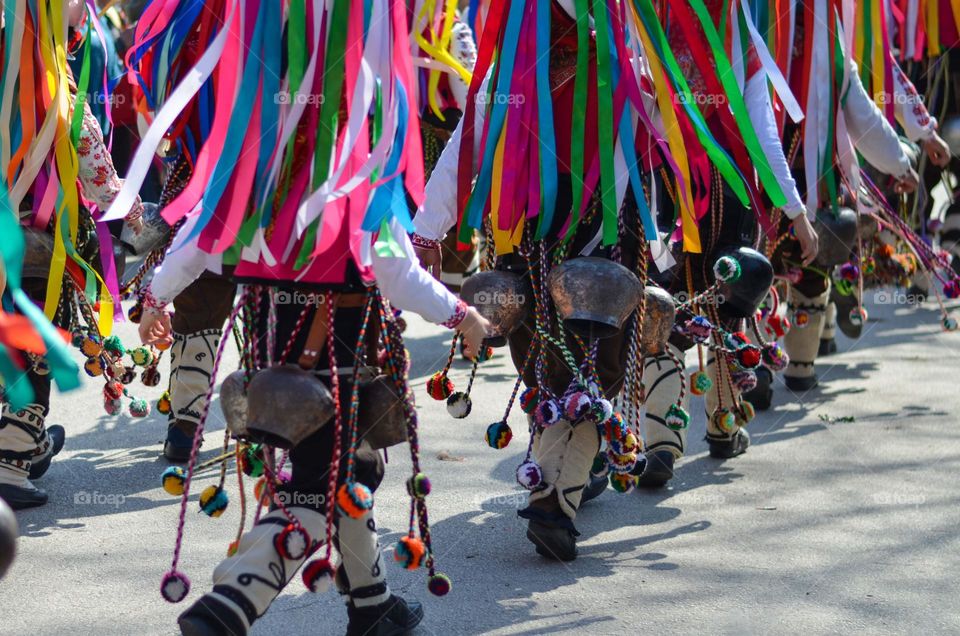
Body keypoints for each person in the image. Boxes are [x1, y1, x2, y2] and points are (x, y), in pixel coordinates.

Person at [115, 2, 490, 633]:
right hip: (337, 342)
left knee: (354, 459)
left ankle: (371, 602)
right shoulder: (357, 162)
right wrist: (461, 315)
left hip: (271, 341)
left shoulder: (254, 158)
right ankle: (233, 601)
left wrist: (155, 298)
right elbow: (395, 273)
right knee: (324, 476)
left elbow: (198, 239)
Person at [0, 0, 143, 509]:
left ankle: (30, 443)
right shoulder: (55, 90)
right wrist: (138, 219)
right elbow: (98, 173)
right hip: (37, 250)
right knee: (31, 350)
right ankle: (12, 464)